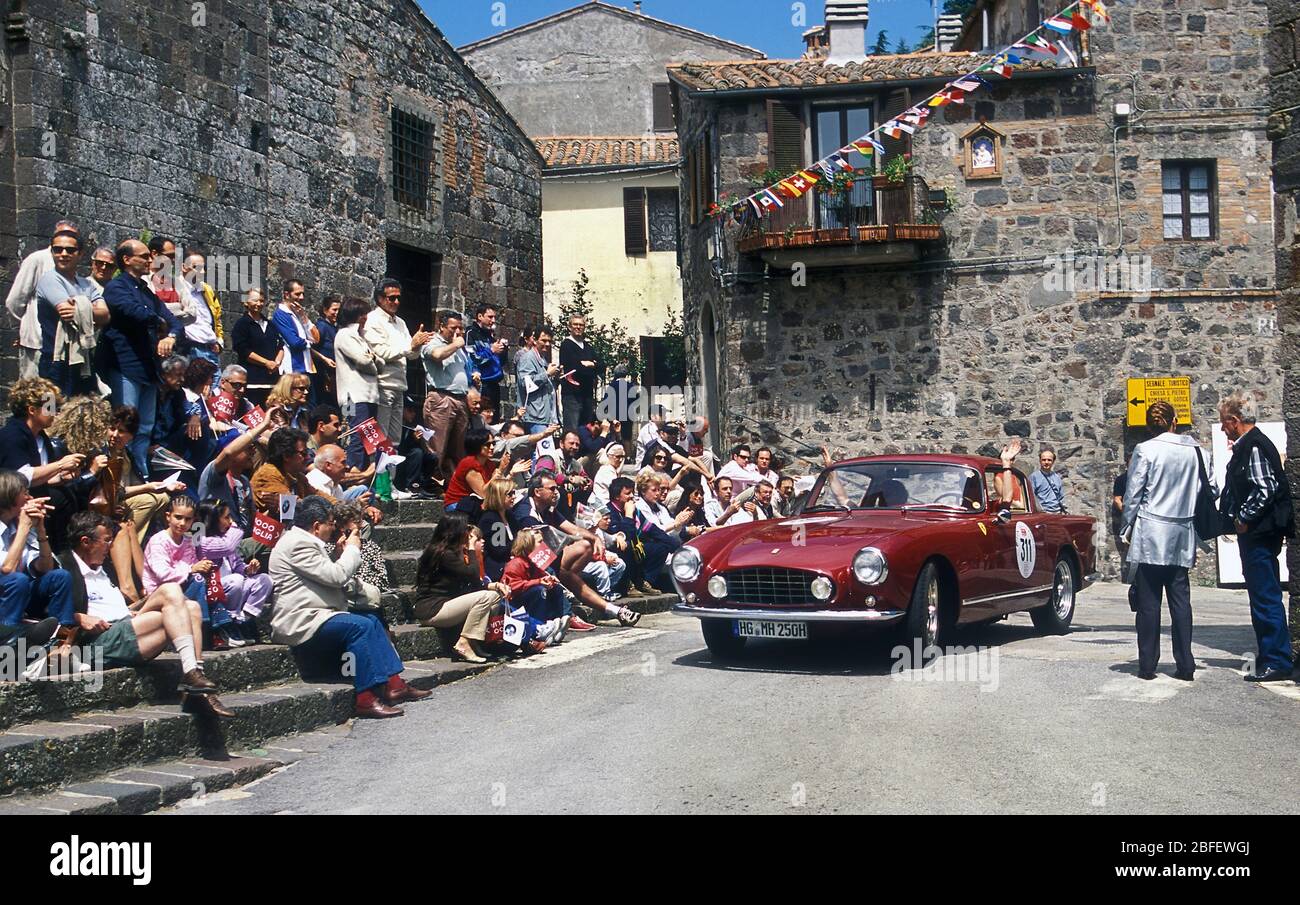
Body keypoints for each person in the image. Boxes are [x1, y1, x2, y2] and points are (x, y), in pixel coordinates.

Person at [270, 496, 430, 719]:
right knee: (360, 626)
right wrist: (352, 551)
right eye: (330, 523)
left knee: (372, 620)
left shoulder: (306, 542)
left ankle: (394, 684)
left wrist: (338, 556)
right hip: (301, 620)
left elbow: (328, 576)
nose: (333, 527)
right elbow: (336, 576)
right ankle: (365, 698)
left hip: (320, 613)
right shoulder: (298, 544)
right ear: (317, 526)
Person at [60, 511, 232, 716]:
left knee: (192, 607)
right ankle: (193, 676)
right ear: (86, 541)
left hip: (127, 624)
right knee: (172, 594)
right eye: (106, 541)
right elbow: (47, 610)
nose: (110, 546)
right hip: (99, 640)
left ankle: (196, 682)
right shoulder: (65, 567)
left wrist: (131, 611)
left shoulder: (102, 568)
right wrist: (79, 617)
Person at [1119, 401, 1202, 682]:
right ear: (1174, 421)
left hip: (1152, 532)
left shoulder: (1145, 450)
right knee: (1181, 600)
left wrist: (1126, 526)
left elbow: (1133, 494)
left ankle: (1147, 664)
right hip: (1181, 531)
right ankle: (1185, 663)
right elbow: (1210, 486)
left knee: (1149, 602)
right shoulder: (1195, 451)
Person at [1218, 393, 1297, 683]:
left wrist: (1242, 518)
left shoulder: (1252, 447)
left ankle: (1276, 659)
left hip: (1259, 533)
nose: (1223, 428)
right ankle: (1271, 655)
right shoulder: (1253, 444)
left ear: (1235, 421)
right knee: (1263, 594)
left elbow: (1265, 488)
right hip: (1260, 533)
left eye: (1224, 422)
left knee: (1265, 596)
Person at [98, 239, 183, 479]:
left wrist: (171, 336)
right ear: (127, 259)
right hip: (126, 366)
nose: (150, 260)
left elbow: (173, 321)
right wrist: (159, 322)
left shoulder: (146, 292)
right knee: (123, 426)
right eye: (144, 256)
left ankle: (139, 475)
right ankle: (118, 478)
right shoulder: (117, 287)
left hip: (148, 370)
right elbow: (133, 312)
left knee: (144, 428)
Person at [0, 470, 80, 668]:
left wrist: (40, 529)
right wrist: (24, 528)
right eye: (24, 493)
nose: (30, 498)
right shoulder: (15, 528)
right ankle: (8, 650)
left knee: (60, 577)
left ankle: (60, 645)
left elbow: (46, 566)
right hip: (7, 593)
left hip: (21, 594)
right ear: (10, 496)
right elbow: (7, 569)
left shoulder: (19, 526)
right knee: (17, 580)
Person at [141, 496, 238, 649]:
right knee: (198, 579)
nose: (182, 523)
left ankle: (219, 629)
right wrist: (192, 569)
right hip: (160, 592)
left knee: (205, 579)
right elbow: (163, 574)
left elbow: (193, 564)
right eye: (178, 517)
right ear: (168, 516)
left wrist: (202, 567)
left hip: (185, 586)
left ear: (193, 521)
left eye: (187, 519)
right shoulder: (158, 541)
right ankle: (208, 629)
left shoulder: (189, 540)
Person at [413, 513, 511, 663]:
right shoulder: (443, 554)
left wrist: (495, 585)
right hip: (433, 609)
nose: (467, 534)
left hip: (446, 604)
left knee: (495, 597)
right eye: (464, 529)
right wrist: (471, 548)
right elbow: (472, 574)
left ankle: (474, 643)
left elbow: (475, 584)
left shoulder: (452, 552)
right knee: (488, 597)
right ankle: (464, 642)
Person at [34, 228, 108, 397]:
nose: (63, 254)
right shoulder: (49, 279)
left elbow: (106, 315)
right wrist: (89, 307)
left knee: (80, 412)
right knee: (49, 414)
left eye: (70, 250)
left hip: (82, 361)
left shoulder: (86, 285)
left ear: (80, 254)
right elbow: (67, 312)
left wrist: (82, 308)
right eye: (57, 249)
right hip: (54, 361)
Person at [363, 278, 432, 449]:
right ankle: (379, 475)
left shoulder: (400, 322)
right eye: (391, 298)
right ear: (380, 298)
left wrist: (417, 345)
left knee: (394, 439)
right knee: (380, 437)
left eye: (398, 298)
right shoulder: (372, 320)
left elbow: (412, 355)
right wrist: (411, 346)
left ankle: (390, 476)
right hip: (383, 385)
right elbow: (382, 352)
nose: (396, 302)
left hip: (399, 385)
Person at [6, 220, 80, 380]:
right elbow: (15, 300)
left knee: (57, 397)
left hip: (64, 345)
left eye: (71, 238)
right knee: (37, 394)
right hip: (37, 342)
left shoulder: (70, 262)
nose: (64, 250)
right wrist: (24, 327)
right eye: (61, 236)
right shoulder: (37, 260)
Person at [195, 500, 273, 640]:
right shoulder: (201, 541)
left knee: (264, 580)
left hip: (233, 589)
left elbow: (237, 566)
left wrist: (248, 569)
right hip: (213, 592)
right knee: (235, 580)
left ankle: (242, 620)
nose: (230, 522)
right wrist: (236, 529)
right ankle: (228, 621)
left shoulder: (225, 538)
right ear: (213, 520)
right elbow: (227, 547)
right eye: (226, 517)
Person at [422, 309, 472, 484]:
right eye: (453, 328)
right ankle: (432, 484)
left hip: (460, 400)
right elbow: (437, 355)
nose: (457, 332)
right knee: (438, 446)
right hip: (441, 399)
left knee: (457, 449)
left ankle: (452, 485)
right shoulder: (433, 342)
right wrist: (457, 344)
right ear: (441, 326)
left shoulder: (457, 346)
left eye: (460, 328)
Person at [332, 296, 382, 470]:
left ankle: (371, 481)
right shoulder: (345, 335)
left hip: (368, 396)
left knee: (372, 440)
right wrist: (373, 360)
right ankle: (353, 477)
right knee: (355, 437)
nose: (366, 317)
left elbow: (375, 361)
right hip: (352, 397)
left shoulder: (361, 337)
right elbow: (364, 361)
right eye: (363, 314)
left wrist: (373, 359)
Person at [251, 428, 336, 514]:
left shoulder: (298, 477)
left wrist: (340, 506)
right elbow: (293, 508)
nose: (308, 457)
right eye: (303, 453)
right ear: (286, 456)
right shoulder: (268, 474)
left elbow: (317, 495)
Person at [631, 472, 686, 592]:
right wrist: (674, 524)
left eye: (658, 490)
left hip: (665, 542)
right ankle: (648, 581)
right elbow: (653, 530)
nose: (658, 493)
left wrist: (678, 524)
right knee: (670, 551)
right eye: (654, 490)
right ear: (643, 491)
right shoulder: (639, 507)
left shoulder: (661, 507)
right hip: (645, 546)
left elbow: (672, 530)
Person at [231, 288, 283, 408]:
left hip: (272, 380)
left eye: (261, 301)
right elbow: (243, 350)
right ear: (246, 302)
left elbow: (280, 345)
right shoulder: (242, 324)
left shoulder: (270, 325)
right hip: (252, 380)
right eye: (255, 300)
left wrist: (276, 363)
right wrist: (266, 363)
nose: (259, 304)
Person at [178, 253, 223, 377]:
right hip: (190, 348)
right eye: (196, 267)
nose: (202, 272)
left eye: (204, 268)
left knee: (214, 391)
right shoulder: (176, 288)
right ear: (183, 267)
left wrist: (219, 341)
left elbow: (217, 317)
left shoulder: (206, 290)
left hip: (211, 349)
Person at [444, 428, 504, 515]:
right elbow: (483, 493)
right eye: (487, 444)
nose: (492, 447)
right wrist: (495, 477)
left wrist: (511, 473)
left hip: (475, 503)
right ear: (476, 445)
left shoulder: (489, 463)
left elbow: (498, 487)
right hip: (457, 504)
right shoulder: (469, 463)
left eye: (493, 443)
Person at [272, 279, 320, 388]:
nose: (301, 297)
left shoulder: (298, 313)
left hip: (306, 367)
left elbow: (316, 338)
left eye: (303, 294)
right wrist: (308, 343)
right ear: (287, 295)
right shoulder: (281, 314)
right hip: (293, 368)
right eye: (297, 294)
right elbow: (295, 343)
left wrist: (304, 317)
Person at [558, 315, 602, 431]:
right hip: (572, 395)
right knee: (572, 431)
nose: (578, 327)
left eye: (581, 325)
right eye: (575, 324)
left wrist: (591, 364)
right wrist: (591, 365)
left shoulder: (588, 347)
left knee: (586, 431)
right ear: (569, 327)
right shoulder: (566, 345)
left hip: (587, 395)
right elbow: (575, 368)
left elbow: (602, 366)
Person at [517, 325, 559, 434]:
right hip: (534, 416)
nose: (547, 344)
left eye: (549, 341)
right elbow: (525, 383)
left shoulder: (542, 359)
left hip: (544, 415)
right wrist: (547, 374)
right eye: (544, 340)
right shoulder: (527, 358)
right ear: (535, 340)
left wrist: (555, 376)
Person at [466, 303, 508, 410]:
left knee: (493, 420)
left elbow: (501, 363)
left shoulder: (490, 336)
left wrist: (503, 350)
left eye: (494, 317)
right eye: (490, 317)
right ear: (480, 317)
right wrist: (491, 350)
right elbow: (472, 359)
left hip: (495, 385)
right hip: (481, 385)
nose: (493, 320)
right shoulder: (471, 333)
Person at [478, 476, 518, 580]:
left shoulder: (509, 515)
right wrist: (523, 539)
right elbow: (500, 551)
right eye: (509, 494)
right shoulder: (491, 519)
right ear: (498, 496)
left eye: (514, 493)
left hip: (512, 561)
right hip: (498, 568)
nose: (514, 497)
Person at [598, 363, 640, 447]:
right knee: (627, 438)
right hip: (628, 416)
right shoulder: (631, 386)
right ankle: (627, 458)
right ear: (625, 374)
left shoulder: (611, 386)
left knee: (615, 438)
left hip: (614, 416)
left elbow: (606, 403)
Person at [312, 295, 340, 405]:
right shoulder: (322, 326)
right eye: (334, 310)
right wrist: (325, 359)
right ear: (325, 310)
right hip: (323, 373)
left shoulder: (336, 327)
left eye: (339, 310)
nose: (337, 313)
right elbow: (311, 348)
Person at [590, 443, 626, 510]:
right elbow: (616, 492)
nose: (621, 460)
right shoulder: (606, 470)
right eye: (618, 457)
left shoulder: (613, 470)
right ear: (609, 456)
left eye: (622, 457)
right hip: (603, 506)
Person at [1030, 445, 1065, 513]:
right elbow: (1031, 497)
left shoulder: (1057, 477)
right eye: (1044, 460)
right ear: (1040, 461)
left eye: (1049, 460)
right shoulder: (1034, 477)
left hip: (1057, 513)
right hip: (1043, 514)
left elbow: (1061, 497)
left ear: (1053, 461)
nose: (1046, 462)